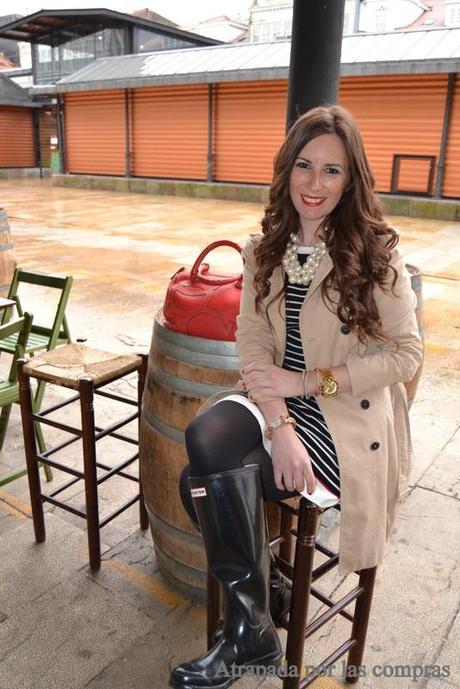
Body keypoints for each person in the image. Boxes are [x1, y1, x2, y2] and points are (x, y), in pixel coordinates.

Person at [170, 104, 423, 689]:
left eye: (332, 171)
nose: (315, 184)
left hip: (343, 419)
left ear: (351, 178)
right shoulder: (268, 248)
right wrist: (280, 423)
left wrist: (309, 383)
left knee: (195, 485)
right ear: (286, 171)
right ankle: (259, 618)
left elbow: (407, 355)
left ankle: (251, 626)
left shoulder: (377, 252)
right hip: (275, 402)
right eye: (304, 166)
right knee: (204, 436)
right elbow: (252, 342)